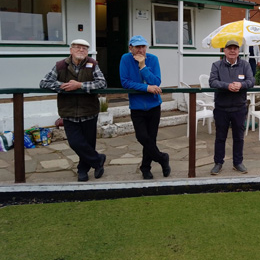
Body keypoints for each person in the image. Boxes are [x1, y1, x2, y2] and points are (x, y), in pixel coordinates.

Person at [40, 39, 107, 182]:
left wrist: (80, 85)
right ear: (71, 50)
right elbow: (44, 82)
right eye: (78, 47)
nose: (81, 50)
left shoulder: (93, 64)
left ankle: (82, 170)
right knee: (75, 143)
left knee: (89, 144)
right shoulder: (60, 65)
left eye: (84, 48)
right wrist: (63, 86)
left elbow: (102, 84)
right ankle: (97, 160)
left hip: (89, 111)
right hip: (68, 112)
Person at [119, 35, 171, 180]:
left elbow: (156, 81)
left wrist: (143, 66)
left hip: (154, 105)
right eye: (137, 47)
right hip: (136, 106)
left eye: (143, 47)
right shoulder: (125, 59)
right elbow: (125, 82)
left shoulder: (152, 59)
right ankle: (162, 158)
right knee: (142, 137)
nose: (141, 50)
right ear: (131, 48)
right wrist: (146, 88)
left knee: (151, 139)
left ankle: (145, 167)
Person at [209, 40, 255, 175]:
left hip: (239, 107)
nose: (232, 51)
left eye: (235, 48)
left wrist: (241, 85)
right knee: (220, 137)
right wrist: (227, 86)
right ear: (224, 51)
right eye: (229, 48)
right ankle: (218, 163)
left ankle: (237, 163)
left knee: (239, 137)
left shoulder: (245, 65)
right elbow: (212, 82)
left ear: (238, 51)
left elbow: (251, 81)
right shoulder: (216, 65)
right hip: (221, 107)